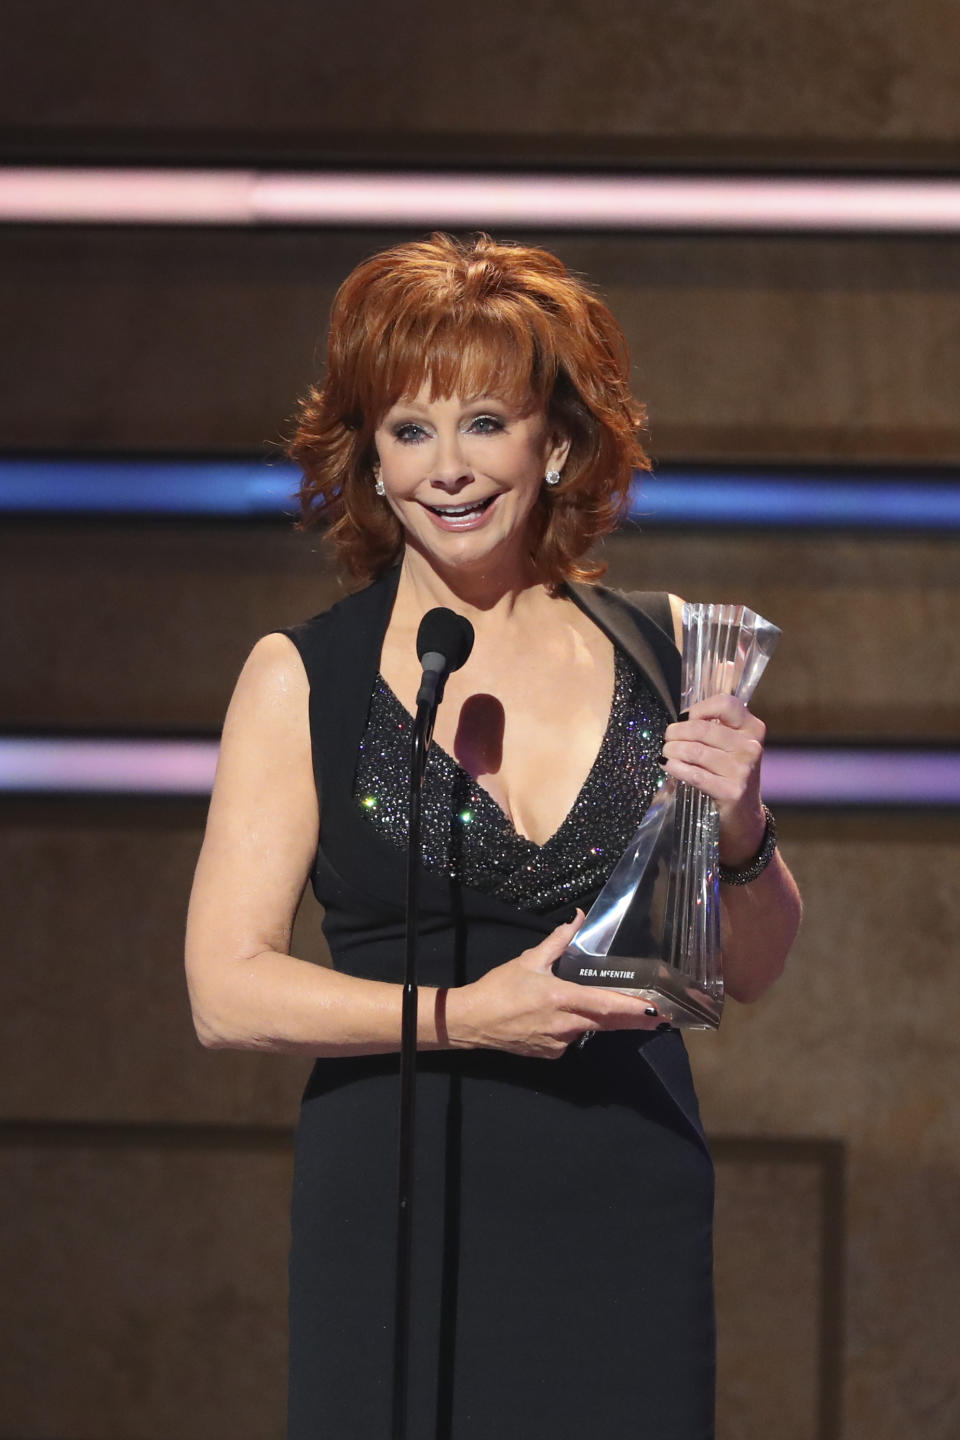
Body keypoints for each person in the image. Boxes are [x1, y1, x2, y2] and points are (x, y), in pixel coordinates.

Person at [185, 232, 802, 1439]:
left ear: (556, 443)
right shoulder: (303, 678)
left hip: (626, 1197)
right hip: (401, 1200)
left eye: (485, 422)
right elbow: (225, 990)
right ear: (368, 455)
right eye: (410, 429)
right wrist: (475, 1015)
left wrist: (743, 826)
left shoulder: (669, 647)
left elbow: (759, 964)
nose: (448, 468)